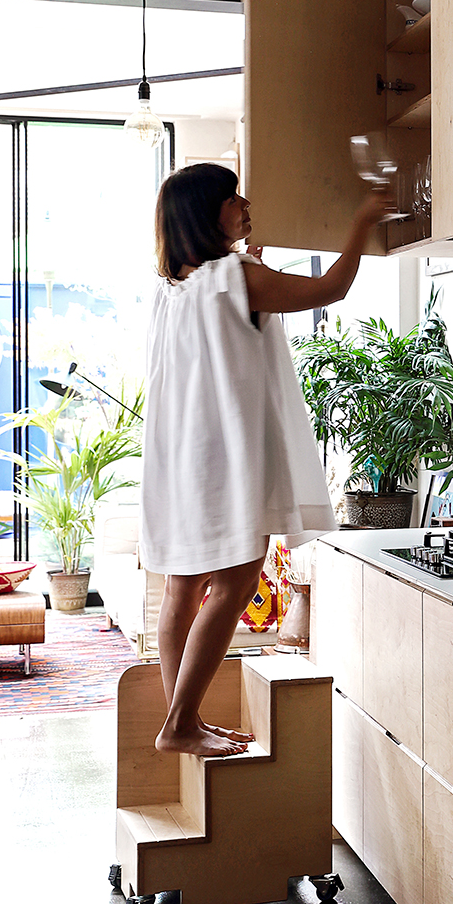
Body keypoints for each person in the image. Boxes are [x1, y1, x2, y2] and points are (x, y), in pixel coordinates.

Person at [140, 162, 387, 757]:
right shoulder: (235, 279)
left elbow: (223, 331)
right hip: (224, 460)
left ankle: (185, 720)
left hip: (177, 460)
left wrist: (250, 260)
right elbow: (331, 289)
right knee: (238, 579)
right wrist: (362, 222)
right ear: (207, 214)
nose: (245, 200)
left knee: (183, 588)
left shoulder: (174, 288)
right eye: (232, 197)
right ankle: (180, 724)